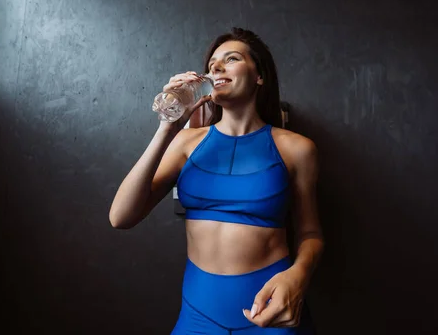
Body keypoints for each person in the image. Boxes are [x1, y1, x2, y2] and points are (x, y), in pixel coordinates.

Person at [110, 28, 324, 334]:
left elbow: (311, 233)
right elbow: (120, 216)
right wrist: (167, 128)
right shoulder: (185, 143)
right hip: (198, 315)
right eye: (212, 65)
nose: (216, 68)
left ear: (259, 75)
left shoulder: (297, 149)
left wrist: (298, 277)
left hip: (270, 313)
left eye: (231, 59)